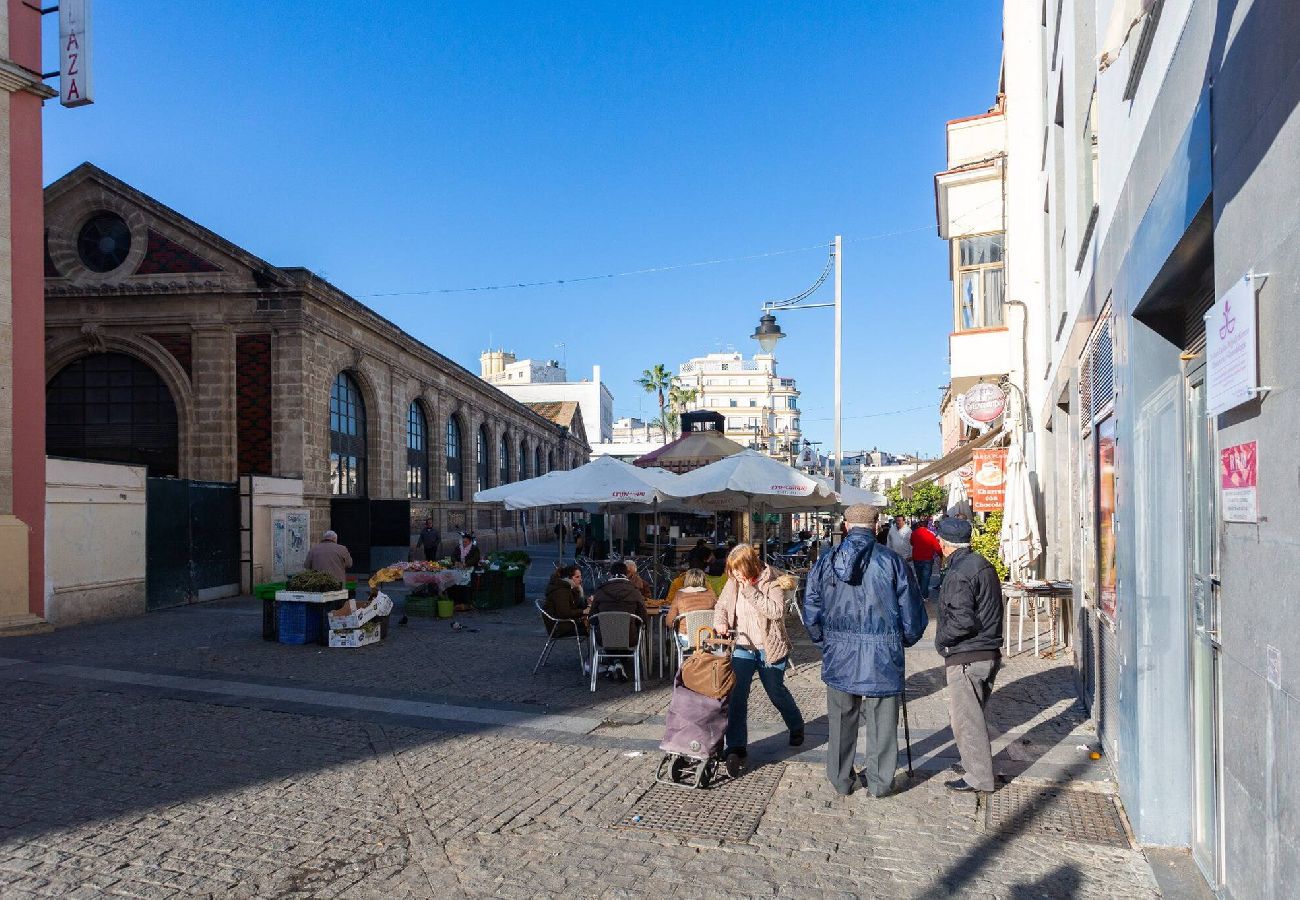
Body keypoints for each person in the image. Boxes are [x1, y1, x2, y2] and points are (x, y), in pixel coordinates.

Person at [803, 504, 927, 797]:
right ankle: (880, 782)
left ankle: (840, 778)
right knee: (882, 722)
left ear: (846, 526)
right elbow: (912, 614)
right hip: (882, 653)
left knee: (841, 720)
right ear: (875, 527)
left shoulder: (826, 560)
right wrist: (902, 641)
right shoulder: (892, 561)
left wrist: (826, 642)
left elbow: (811, 610)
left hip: (840, 652)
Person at [714, 543, 805, 775]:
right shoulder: (734, 582)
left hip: (769, 647)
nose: (734, 574)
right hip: (742, 646)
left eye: (737, 569)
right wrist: (721, 622)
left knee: (776, 691)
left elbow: (775, 611)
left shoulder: (771, 579)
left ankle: (796, 725)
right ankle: (736, 746)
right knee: (736, 696)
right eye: (731, 570)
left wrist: (751, 591)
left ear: (749, 565)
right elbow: (721, 606)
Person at [934, 517, 1004, 794]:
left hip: (968, 654)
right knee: (969, 715)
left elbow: (962, 620)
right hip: (985, 650)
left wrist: (942, 641)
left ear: (945, 544)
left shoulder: (959, 573)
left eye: (939, 540)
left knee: (966, 719)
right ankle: (972, 764)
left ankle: (979, 777)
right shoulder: (981, 564)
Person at [588, 560, 648, 682]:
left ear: (610, 574)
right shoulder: (634, 591)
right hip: (629, 637)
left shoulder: (600, 591)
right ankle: (618, 663)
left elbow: (592, 618)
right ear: (627, 574)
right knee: (625, 633)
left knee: (608, 633)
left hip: (604, 637)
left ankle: (613, 664)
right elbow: (643, 618)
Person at [664, 568, 718, 650]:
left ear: (686, 580)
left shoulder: (680, 595)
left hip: (687, 639)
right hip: (709, 638)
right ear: (703, 580)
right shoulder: (711, 594)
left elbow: (669, 622)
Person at [542, 564, 587, 636]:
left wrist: (586, 601)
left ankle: (608, 643)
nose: (580, 580)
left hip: (567, 623)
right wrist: (583, 611)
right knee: (596, 627)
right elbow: (564, 613)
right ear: (568, 579)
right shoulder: (561, 591)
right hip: (560, 628)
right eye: (577, 577)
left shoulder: (568, 588)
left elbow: (574, 604)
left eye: (580, 576)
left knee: (596, 623)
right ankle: (608, 644)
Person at [910, 518, 941, 600]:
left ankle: (922, 592)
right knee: (926, 577)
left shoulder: (914, 533)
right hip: (928, 559)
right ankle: (924, 595)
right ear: (927, 525)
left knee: (919, 576)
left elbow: (911, 542)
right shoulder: (931, 534)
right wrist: (941, 555)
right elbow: (936, 547)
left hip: (917, 558)